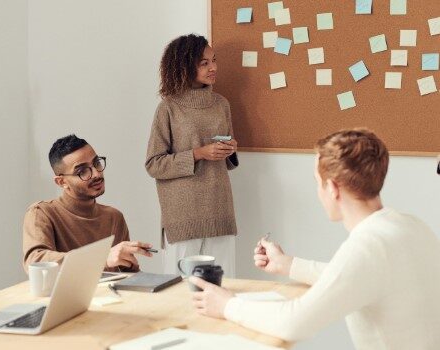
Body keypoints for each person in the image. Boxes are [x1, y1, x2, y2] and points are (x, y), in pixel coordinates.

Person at [190, 129, 440, 349]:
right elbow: (355, 276)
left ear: (332, 188)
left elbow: (293, 322)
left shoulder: (368, 246)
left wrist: (227, 305)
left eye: (317, 183)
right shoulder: (409, 226)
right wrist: (288, 265)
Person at [145, 34, 239, 276]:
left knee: (223, 286)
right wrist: (198, 153)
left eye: (214, 60)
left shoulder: (221, 104)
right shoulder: (168, 107)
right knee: (180, 292)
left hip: (219, 209)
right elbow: (154, 164)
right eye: (204, 63)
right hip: (183, 217)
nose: (213, 67)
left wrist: (229, 150)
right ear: (184, 65)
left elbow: (226, 162)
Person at [23, 134, 153, 272]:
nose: (97, 174)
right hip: (67, 294)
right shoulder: (41, 213)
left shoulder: (114, 217)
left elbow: (128, 278)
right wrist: (101, 258)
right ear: (62, 182)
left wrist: (130, 264)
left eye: (96, 163)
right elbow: (35, 261)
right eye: (82, 171)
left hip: (110, 293)